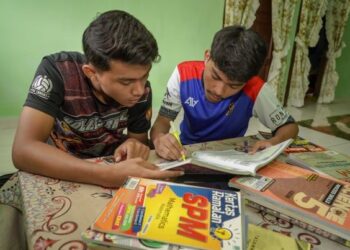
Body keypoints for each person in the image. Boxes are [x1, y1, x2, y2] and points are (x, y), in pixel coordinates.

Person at [12, 10, 183, 188]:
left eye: (145, 76)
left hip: (110, 163)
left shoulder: (141, 90)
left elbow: (138, 141)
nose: (140, 90)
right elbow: (24, 150)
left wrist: (133, 144)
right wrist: (105, 175)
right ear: (91, 73)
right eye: (126, 81)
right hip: (57, 163)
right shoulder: (57, 71)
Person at [151, 25, 299, 160]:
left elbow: (290, 127)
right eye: (215, 76)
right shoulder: (183, 74)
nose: (219, 91)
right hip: (185, 152)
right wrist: (159, 139)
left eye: (234, 86)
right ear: (207, 57)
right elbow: (162, 121)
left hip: (231, 158)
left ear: (247, 80)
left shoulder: (257, 89)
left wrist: (273, 142)